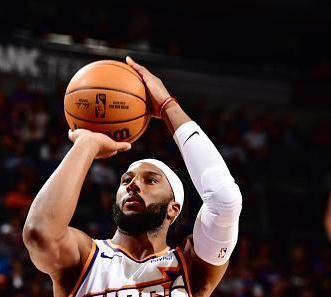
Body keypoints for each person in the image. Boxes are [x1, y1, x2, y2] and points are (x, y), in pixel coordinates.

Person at [23, 57, 243, 297]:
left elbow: (225, 200)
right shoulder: (85, 258)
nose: (133, 185)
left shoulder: (190, 267)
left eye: (150, 180)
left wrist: (168, 106)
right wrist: (87, 144)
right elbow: (39, 233)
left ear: (173, 208)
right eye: (126, 180)